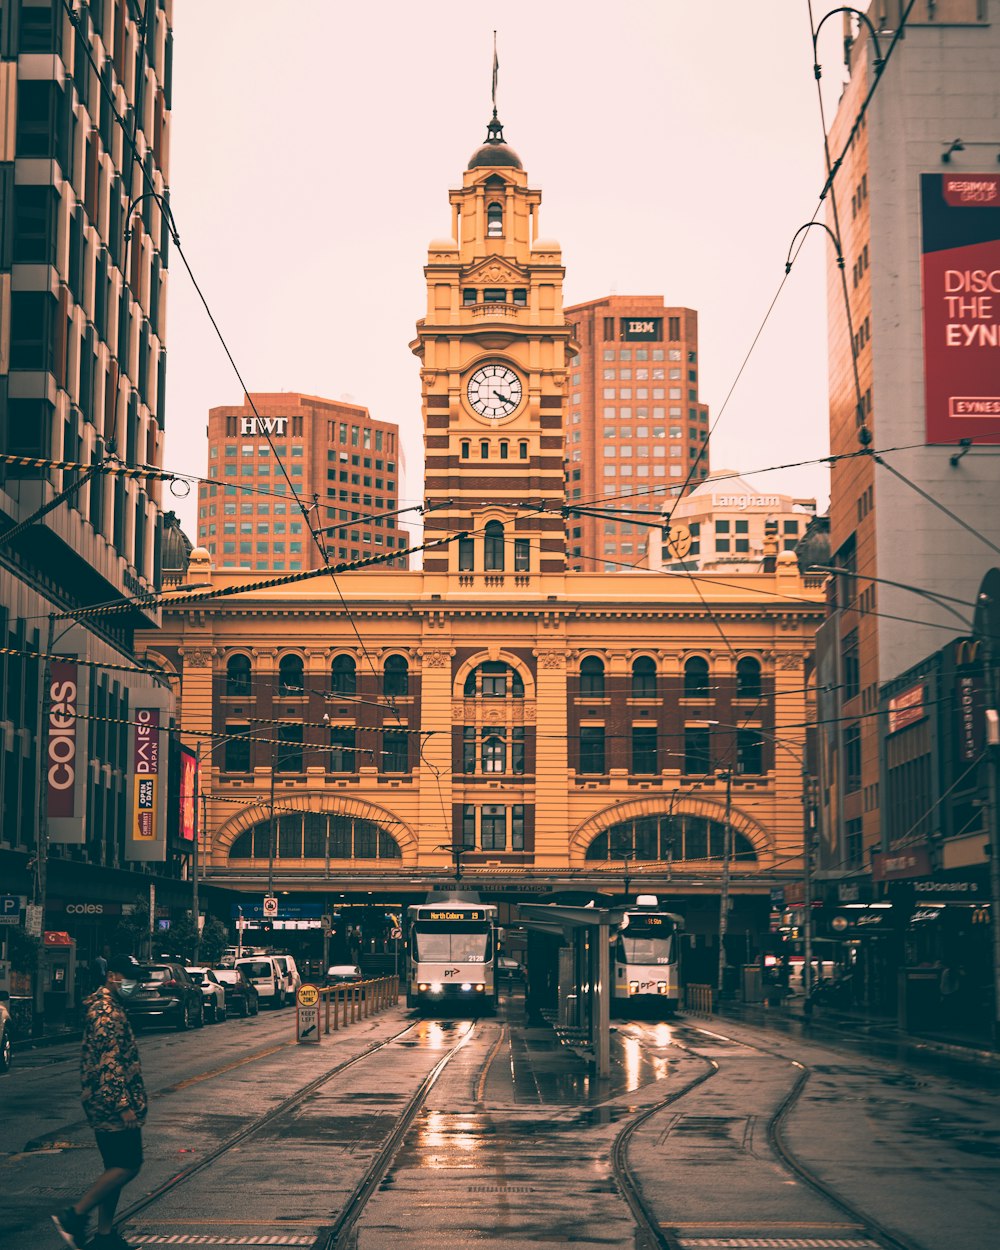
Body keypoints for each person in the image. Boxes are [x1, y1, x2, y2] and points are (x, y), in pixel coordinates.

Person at [52, 954, 147, 1250]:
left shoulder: (113, 1005)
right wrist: (122, 1104)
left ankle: (104, 1235)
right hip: (109, 1103)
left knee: (115, 1167)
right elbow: (109, 1060)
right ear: (113, 976)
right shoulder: (105, 1010)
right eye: (130, 977)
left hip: (111, 1099)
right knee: (128, 1164)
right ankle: (74, 1216)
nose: (135, 983)